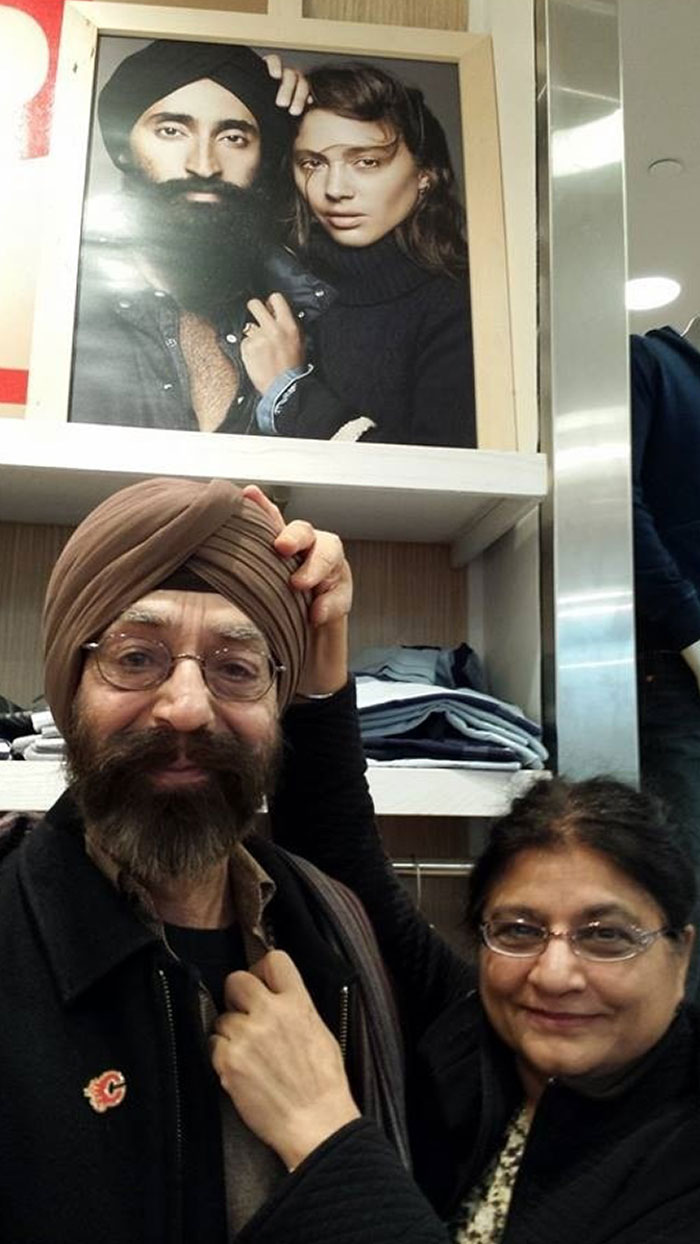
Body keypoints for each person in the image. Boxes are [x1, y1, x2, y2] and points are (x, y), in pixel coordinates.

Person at [210, 513, 700, 1243]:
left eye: (606, 936)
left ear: (681, 951)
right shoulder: (476, 1037)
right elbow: (340, 855)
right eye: (520, 930)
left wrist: (320, 1129)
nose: (554, 973)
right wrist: (320, 640)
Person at [0, 476, 448, 1244]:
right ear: (68, 692)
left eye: (237, 668)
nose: (186, 707)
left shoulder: (340, 936)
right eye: (135, 658)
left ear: (279, 707)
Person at [69, 40, 334, 434]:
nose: (205, 166)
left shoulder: (305, 309)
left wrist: (319, 114)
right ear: (124, 148)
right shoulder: (62, 306)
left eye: (233, 138)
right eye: (172, 131)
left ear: (262, 161)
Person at [250, 62, 477, 447]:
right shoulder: (276, 281)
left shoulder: (460, 305)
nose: (335, 189)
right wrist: (254, 82)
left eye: (367, 162)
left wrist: (292, 393)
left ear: (424, 173)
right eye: (312, 163)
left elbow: (441, 473)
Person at [631, 326, 700, 875]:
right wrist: (691, 631)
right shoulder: (650, 362)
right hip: (675, 667)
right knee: (684, 882)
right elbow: (616, 506)